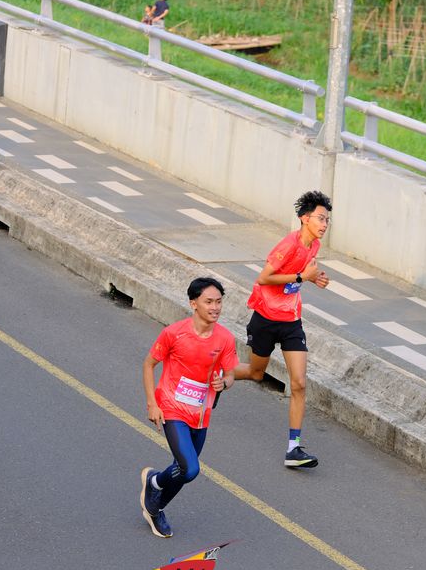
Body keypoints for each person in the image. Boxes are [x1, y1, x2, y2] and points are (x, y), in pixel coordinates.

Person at [234, 190, 332, 469]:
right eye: (320, 218)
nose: (324, 224)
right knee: (256, 373)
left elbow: (298, 278)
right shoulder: (289, 244)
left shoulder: (314, 246)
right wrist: (302, 276)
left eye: (327, 220)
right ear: (305, 218)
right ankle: (217, 374)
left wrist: (313, 279)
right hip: (265, 318)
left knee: (299, 383)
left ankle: (293, 449)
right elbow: (264, 278)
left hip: (291, 321)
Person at [141, 277, 238, 538]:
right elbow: (149, 364)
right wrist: (152, 404)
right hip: (172, 407)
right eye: (209, 302)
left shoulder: (225, 338)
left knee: (183, 469)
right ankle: (155, 504)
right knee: (190, 468)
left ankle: (154, 487)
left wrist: (224, 383)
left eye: (219, 302)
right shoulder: (174, 333)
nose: (215, 307)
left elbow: (231, 374)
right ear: (193, 303)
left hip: (201, 413)